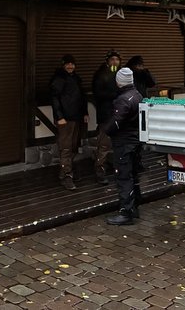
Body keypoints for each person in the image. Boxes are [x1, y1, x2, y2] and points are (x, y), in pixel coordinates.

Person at [104, 67, 143, 225]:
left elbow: (116, 121)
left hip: (124, 142)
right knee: (133, 174)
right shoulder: (137, 95)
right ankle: (134, 207)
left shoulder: (123, 99)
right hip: (135, 140)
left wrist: (106, 130)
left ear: (119, 82)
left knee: (123, 176)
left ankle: (126, 212)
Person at [50, 54, 89, 190]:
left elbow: (82, 97)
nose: (70, 66)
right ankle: (67, 176)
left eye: (72, 64)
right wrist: (59, 116)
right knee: (65, 148)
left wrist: (85, 112)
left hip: (76, 118)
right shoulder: (59, 79)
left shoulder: (76, 78)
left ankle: (65, 173)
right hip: (65, 119)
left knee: (73, 147)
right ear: (63, 65)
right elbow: (54, 98)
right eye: (67, 64)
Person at [92, 49, 121, 185]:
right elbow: (98, 94)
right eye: (112, 60)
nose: (115, 62)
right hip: (105, 115)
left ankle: (118, 169)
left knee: (118, 143)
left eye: (117, 59)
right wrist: (115, 94)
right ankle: (99, 171)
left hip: (119, 115)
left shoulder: (120, 74)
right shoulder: (100, 75)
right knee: (103, 145)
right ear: (107, 61)